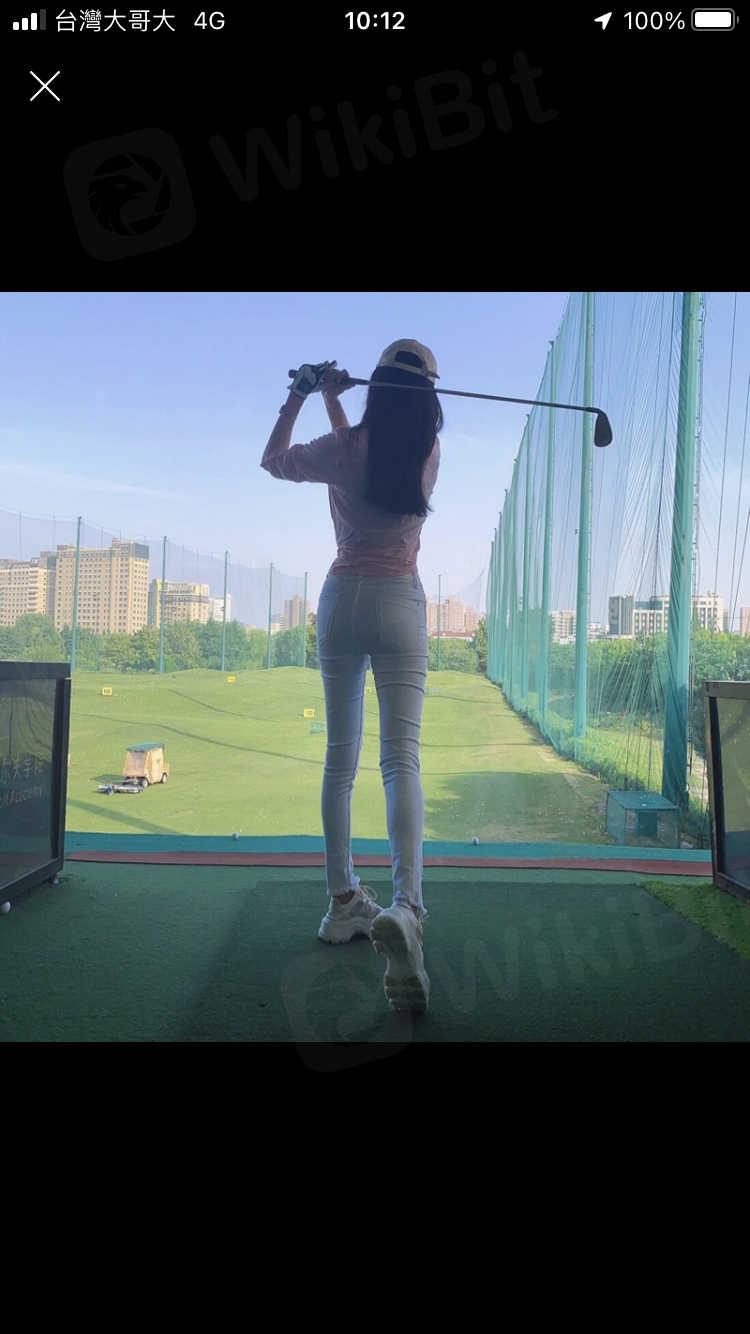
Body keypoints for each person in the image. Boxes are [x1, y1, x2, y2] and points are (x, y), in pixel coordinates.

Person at [260, 340, 442, 1013]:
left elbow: (277, 459)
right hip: (399, 606)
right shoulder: (426, 452)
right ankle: (406, 908)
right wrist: (336, 401)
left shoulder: (344, 448)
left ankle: (343, 902)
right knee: (401, 761)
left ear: (377, 389)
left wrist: (305, 392)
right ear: (427, 399)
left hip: (342, 604)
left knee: (341, 761)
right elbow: (368, 456)